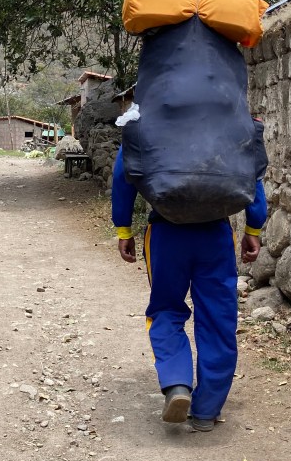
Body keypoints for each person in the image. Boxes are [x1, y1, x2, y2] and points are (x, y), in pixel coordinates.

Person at [111, 145, 266, 431]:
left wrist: (124, 228)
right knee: (218, 318)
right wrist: (253, 227)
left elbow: (124, 171)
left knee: (166, 309)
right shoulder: (227, 122)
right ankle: (207, 410)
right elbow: (251, 168)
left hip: (166, 232)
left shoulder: (148, 121)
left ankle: (177, 383)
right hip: (215, 234)